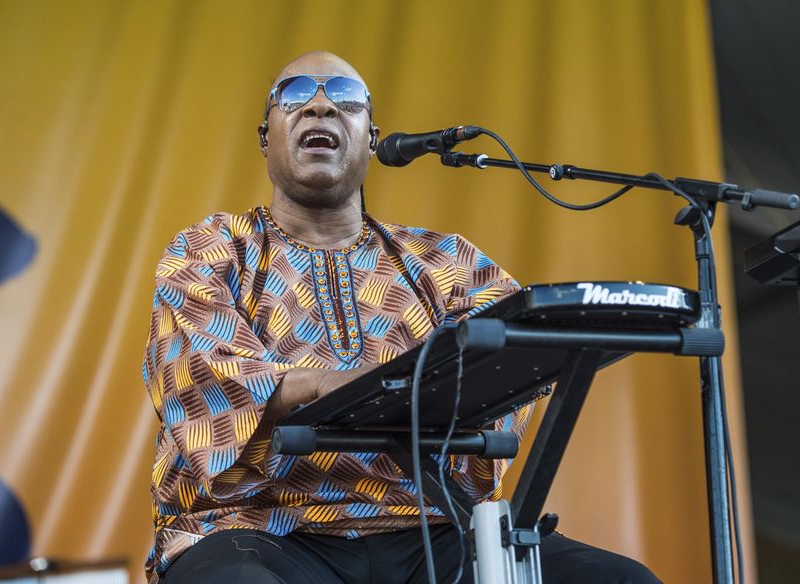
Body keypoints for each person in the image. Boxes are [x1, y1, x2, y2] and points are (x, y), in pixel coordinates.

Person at [143, 50, 660, 584]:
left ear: (371, 137)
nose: (319, 108)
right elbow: (201, 378)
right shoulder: (211, 249)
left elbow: (503, 367)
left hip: (432, 524)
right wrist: (338, 383)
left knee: (622, 581)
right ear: (264, 135)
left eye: (344, 99)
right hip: (260, 530)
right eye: (296, 95)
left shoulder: (447, 262)